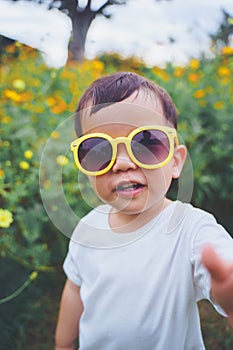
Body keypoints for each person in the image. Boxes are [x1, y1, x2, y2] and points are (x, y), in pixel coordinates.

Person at [55, 72, 233, 350]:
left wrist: (228, 293)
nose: (123, 163)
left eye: (147, 142)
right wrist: (63, 343)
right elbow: (75, 288)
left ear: (175, 162)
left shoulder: (191, 229)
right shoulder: (88, 228)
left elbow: (223, 264)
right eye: (99, 149)